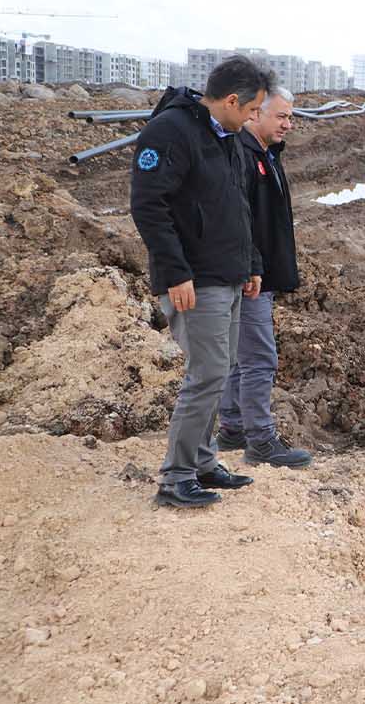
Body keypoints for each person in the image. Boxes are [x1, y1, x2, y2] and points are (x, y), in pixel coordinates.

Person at [130, 56, 274, 508]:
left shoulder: (225, 136)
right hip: (195, 279)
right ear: (232, 100)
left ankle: (204, 462)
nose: (255, 118)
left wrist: (250, 262)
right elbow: (149, 207)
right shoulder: (171, 132)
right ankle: (176, 476)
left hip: (227, 275)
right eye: (253, 110)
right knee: (207, 374)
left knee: (219, 371)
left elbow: (236, 205)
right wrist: (175, 273)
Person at [216, 86, 312, 468]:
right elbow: (237, 220)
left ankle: (233, 428)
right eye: (281, 116)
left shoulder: (265, 153)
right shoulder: (242, 154)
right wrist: (252, 266)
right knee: (259, 357)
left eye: (291, 117)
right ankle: (260, 440)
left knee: (240, 356)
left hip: (255, 272)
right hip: (249, 275)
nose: (289, 124)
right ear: (255, 114)